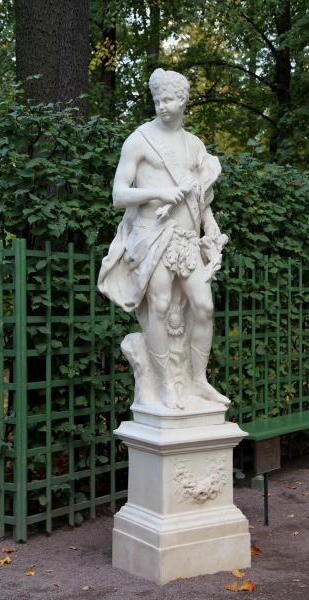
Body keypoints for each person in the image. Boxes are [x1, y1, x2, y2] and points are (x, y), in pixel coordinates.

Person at [98, 68, 229, 411]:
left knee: (204, 307)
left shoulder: (194, 145)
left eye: (169, 99)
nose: (161, 106)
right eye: (157, 99)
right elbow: (118, 195)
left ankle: (198, 380)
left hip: (187, 239)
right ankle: (167, 384)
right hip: (153, 236)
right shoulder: (140, 140)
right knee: (157, 306)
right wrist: (160, 192)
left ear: (184, 100)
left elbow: (200, 198)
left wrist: (211, 226)